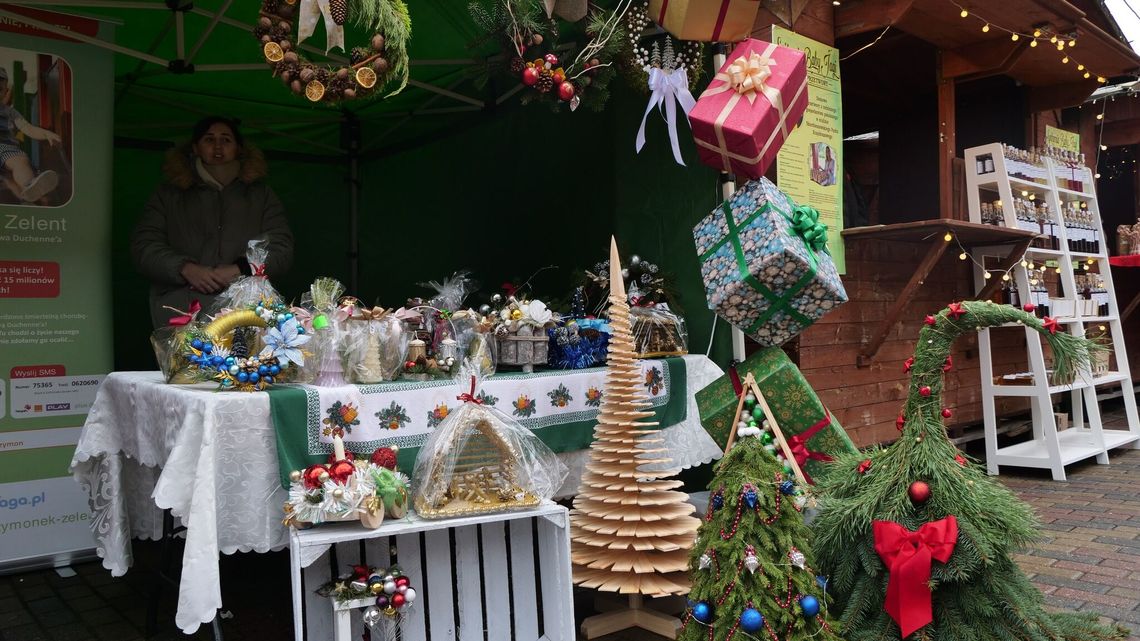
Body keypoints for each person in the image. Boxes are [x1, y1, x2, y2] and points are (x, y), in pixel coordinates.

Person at [132, 116, 294, 328]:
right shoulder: (169, 194)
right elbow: (144, 246)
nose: (218, 146)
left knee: (246, 361)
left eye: (226, 140)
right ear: (195, 148)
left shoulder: (260, 194)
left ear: (238, 149)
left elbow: (282, 248)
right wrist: (185, 268)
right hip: (181, 307)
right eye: (209, 139)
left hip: (244, 310)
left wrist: (240, 269)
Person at [0, 66, 62, 204]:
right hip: (4, 149)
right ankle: (29, 186)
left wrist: (46, 133)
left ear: (5, 92)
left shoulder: (10, 112)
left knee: (11, 180)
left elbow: (28, 128)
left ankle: (27, 200)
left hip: (6, 154)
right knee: (19, 161)